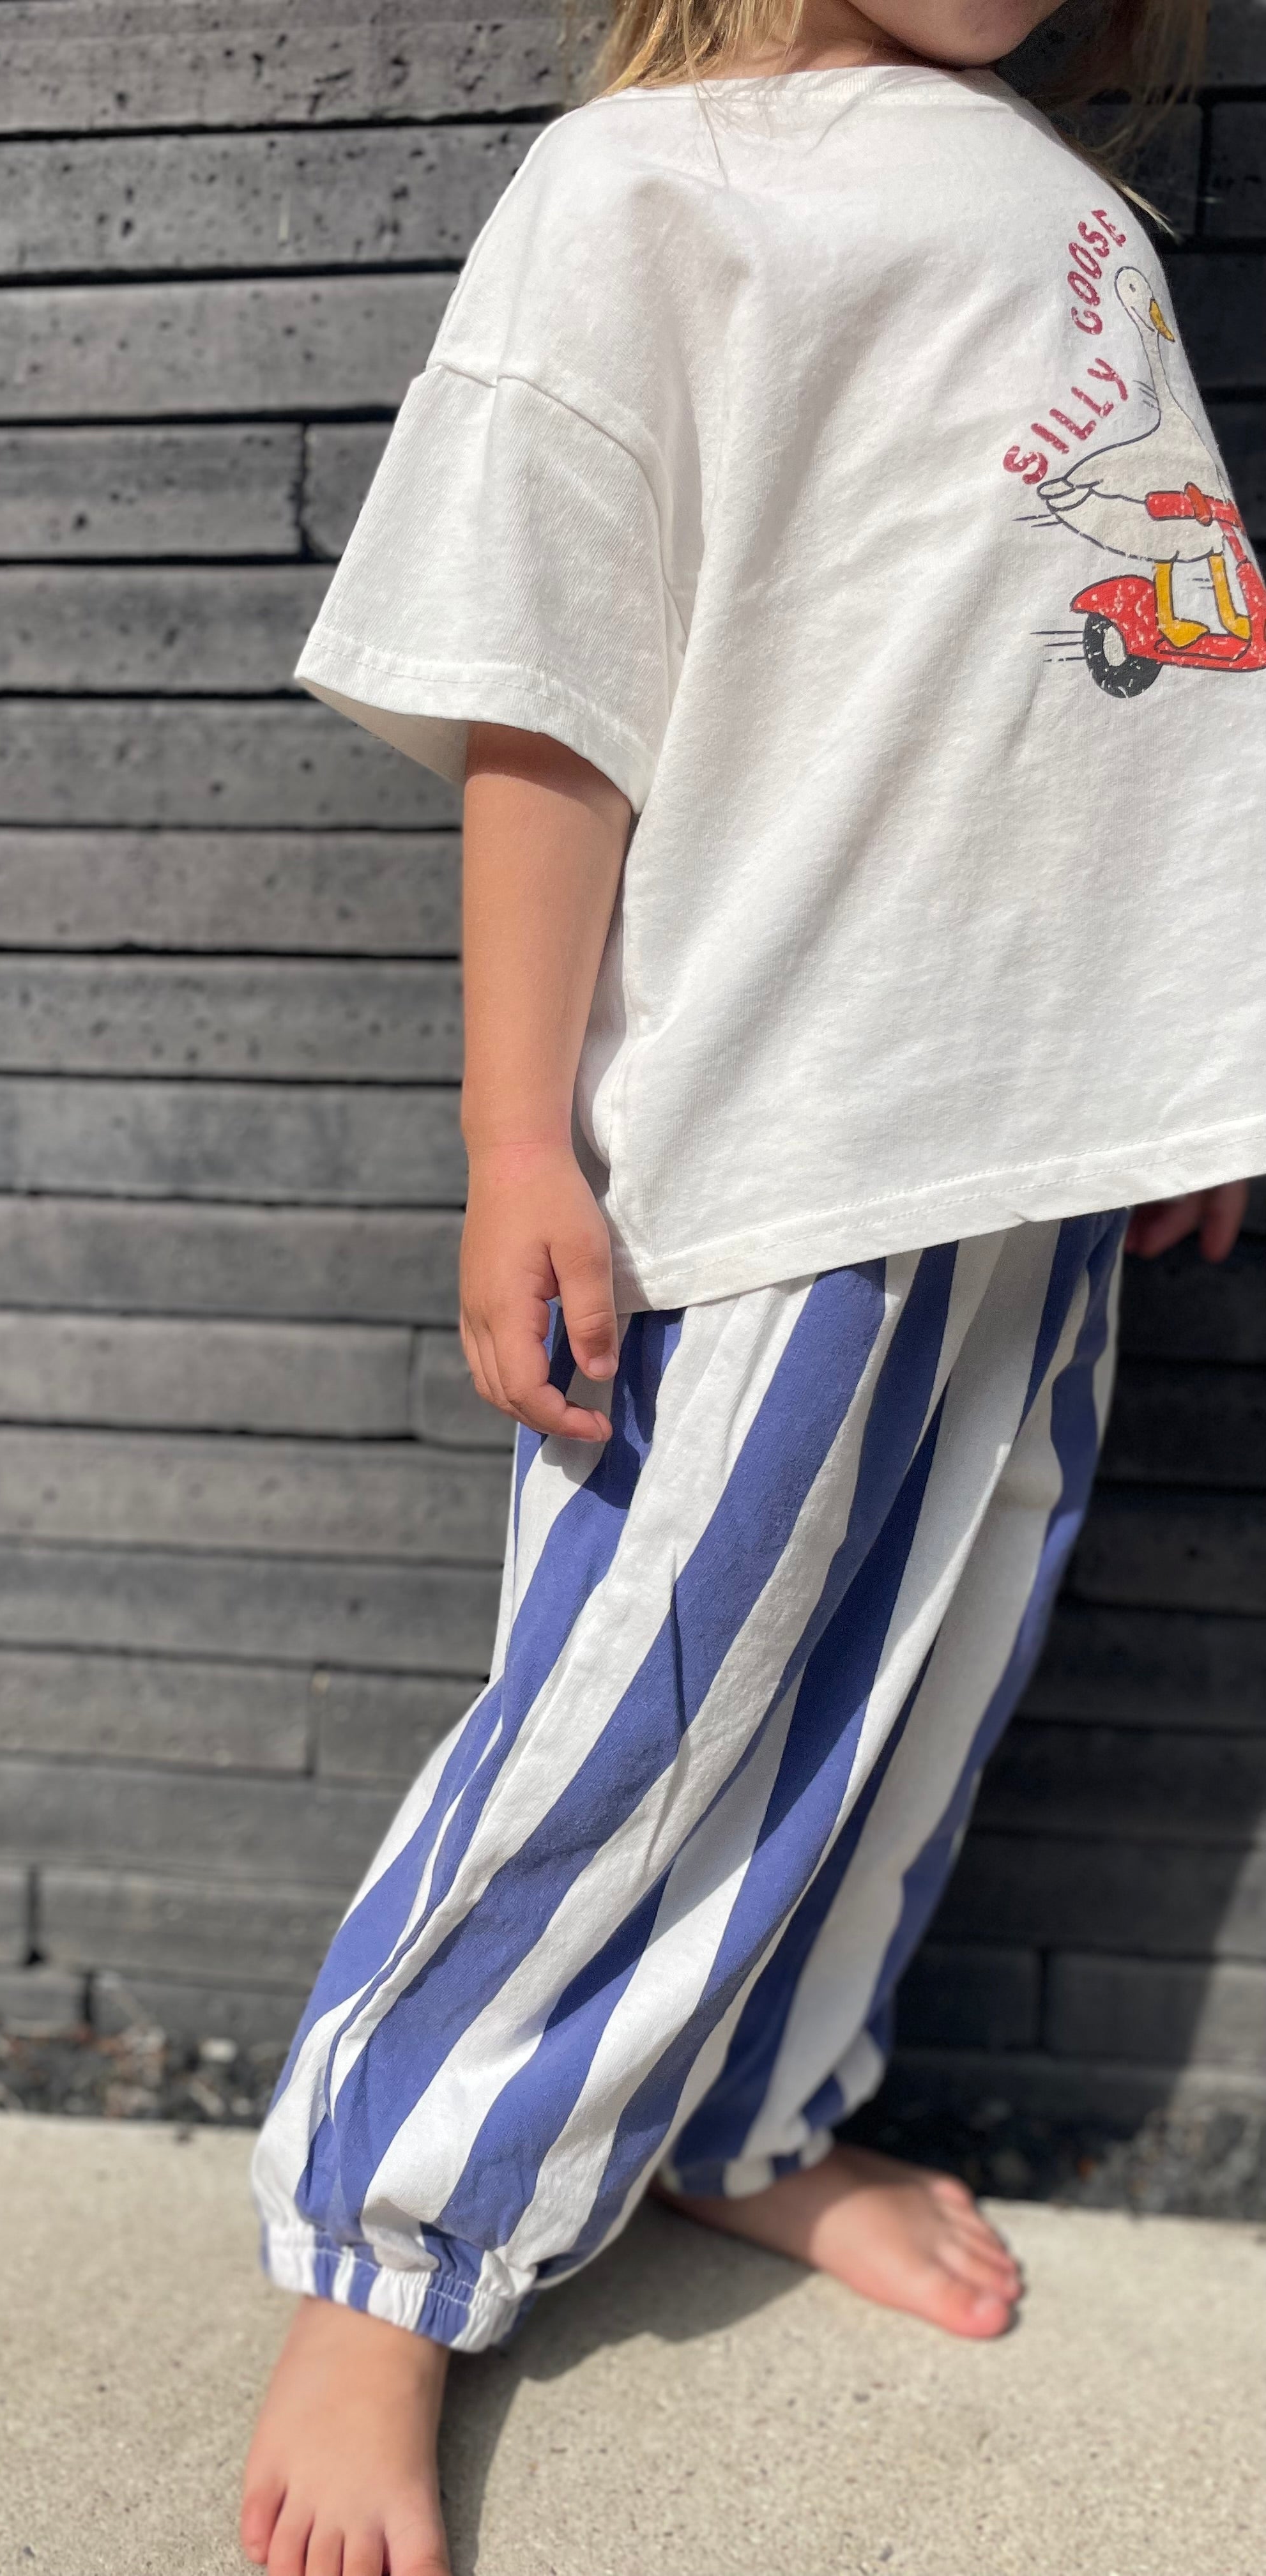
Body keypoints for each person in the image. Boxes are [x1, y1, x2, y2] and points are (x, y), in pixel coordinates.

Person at [239, 0, 1263, 2568]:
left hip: (1034, 1145)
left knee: (920, 1673)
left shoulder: (1071, 213)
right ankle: (389, 2252)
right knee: (642, 1704)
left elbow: (1121, 702)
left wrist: (1183, 1064)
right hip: (783, 1134)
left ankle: (748, 2116)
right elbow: (547, 686)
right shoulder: (657, 190)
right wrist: (515, 1141)